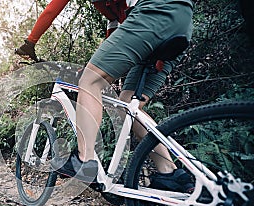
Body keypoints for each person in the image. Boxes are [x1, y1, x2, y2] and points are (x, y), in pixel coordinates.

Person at [16, 0, 195, 193]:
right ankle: (169, 173)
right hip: (181, 23)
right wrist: (104, 64)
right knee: (127, 105)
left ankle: (84, 162)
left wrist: (30, 42)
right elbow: (115, 22)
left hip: (153, 14)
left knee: (90, 81)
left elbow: (53, 9)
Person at [15, 0, 130, 61]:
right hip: (131, 27)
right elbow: (113, 19)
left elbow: (51, 11)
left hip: (140, 20)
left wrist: (31, 42)